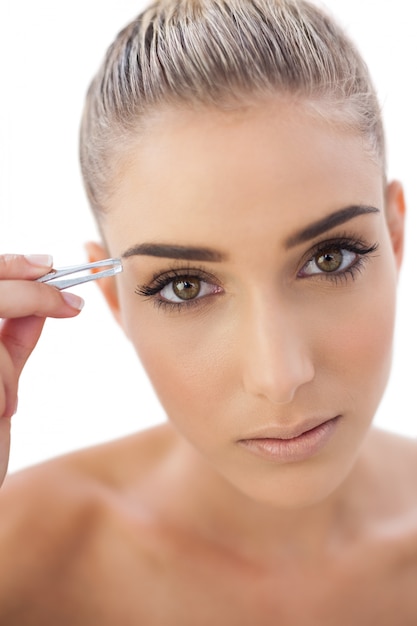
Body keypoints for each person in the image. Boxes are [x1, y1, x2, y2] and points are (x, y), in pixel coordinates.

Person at [0, 0, 415, 623]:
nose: (278, 377)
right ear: (114, 299)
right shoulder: (20, 562)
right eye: (185, 287)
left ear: (396, 237)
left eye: (329, 258)